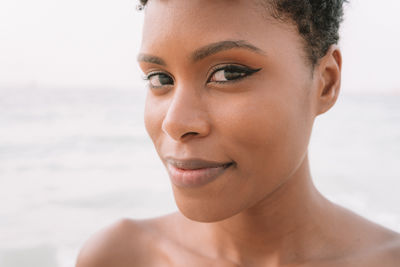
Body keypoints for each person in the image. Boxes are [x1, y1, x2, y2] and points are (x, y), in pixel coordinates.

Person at [76, 0, 400, 266]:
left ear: (325, 82)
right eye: (160, 79)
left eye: (228, 73)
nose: (174, 123)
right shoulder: (119, 257)